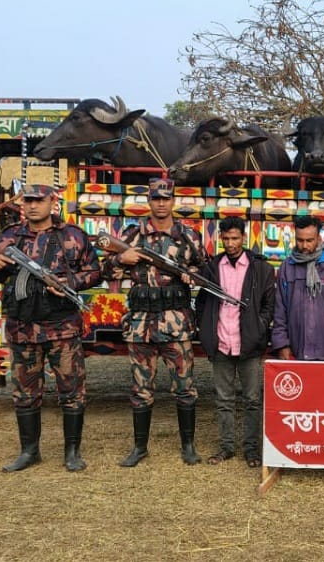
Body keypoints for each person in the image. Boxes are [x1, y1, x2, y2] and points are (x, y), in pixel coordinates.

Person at [0, 184, 101, 473]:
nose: (33, 205)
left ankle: (72, 453)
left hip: (62, 329)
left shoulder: (72, 236)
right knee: (24, 392)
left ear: (52, 202)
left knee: (71, 391)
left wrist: (70, 283)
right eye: (28, 200)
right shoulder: (11, 236)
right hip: (22, 328)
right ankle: (29, 451)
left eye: (39, 200)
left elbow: (95, 271)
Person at [103, 178, 207, 467]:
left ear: (173, 201)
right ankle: (139, 448)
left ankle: (188, 446)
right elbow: (105, 269)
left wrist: (191, 275)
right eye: (156, 198)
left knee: (185, 388)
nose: (161, 203)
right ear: (149, 201)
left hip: (176, 324)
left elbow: (205, 268)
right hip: (140, 325)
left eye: (166, 198)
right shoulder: (132, 235)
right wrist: (121, 259)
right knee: (141, 390)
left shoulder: (188, 236)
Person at [196, 216, 276, 468]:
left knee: (252, 400)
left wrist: (258, 327)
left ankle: (251, 450)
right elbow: (202, 303)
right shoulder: (212, 267)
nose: (230, 244)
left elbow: (269, 304)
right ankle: (227, 447)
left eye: (235, 238)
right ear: (221, 238)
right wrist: (206, 330)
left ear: (244, 237)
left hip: (249, 344)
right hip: (221, 342)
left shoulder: (260, 268)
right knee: (224, 400)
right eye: (226, 238)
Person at [271, 216, 324, 361]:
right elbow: (280, 310)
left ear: (319, 239)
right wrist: (282, 343)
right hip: (296, 350)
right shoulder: (287, 267)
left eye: (309, 240)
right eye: (300, 240)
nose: (304, 245)